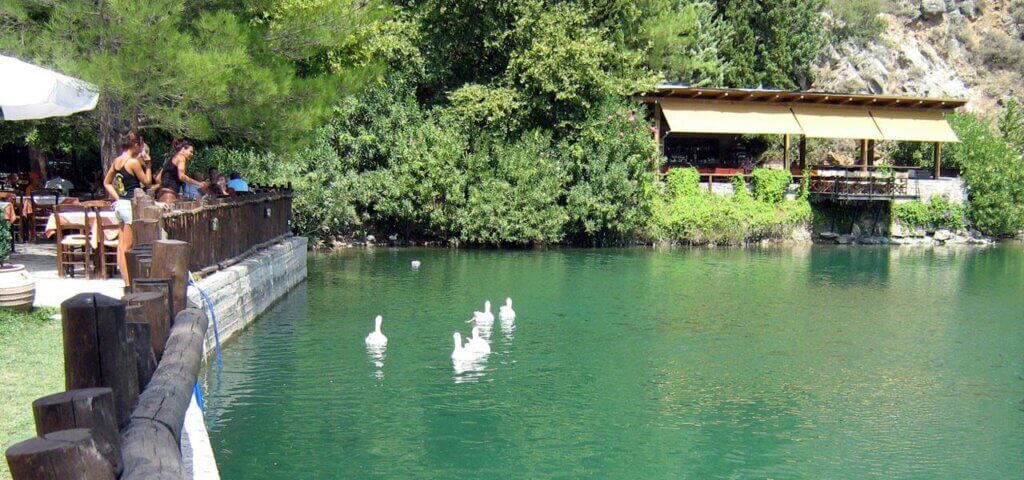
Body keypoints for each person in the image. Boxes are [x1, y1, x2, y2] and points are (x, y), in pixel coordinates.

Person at [103, 131, 153, 286]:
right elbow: (148, 183)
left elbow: (107, 182)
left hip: (121, 205)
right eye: (141, 146)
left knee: (121, 246)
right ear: (136, 145)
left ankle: (126, 281)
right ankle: (128, 283)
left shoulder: (116, 161)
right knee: (127, 247)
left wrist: (118, 197)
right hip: (130, 205)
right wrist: (149, 165)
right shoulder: (132, 162)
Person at [155, 139, 206, 203]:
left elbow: (158, 179)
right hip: (169, 195)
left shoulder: (171, 159)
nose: (192, 154)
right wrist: (198, 183)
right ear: (183, 149)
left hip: (162, 193)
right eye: (191, 151)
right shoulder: (181, 157)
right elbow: (181, 176)